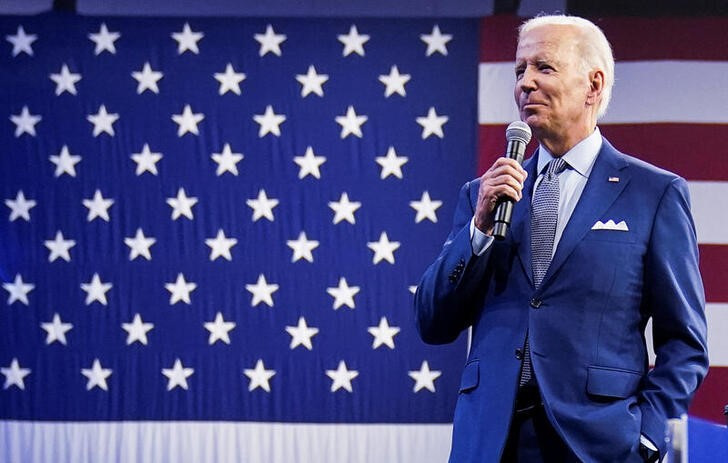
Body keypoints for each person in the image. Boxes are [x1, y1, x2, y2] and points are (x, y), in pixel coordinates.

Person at [414, 15, 708, 463]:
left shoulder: (654, 193)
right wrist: (477, 232)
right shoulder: (484, 196)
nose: (525, 83)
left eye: (543, 68)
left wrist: (647, 435)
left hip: (598, 445)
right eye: (519, 70)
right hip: (491, 443)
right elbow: (432, 321)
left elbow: (685, 343)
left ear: (593, 85)